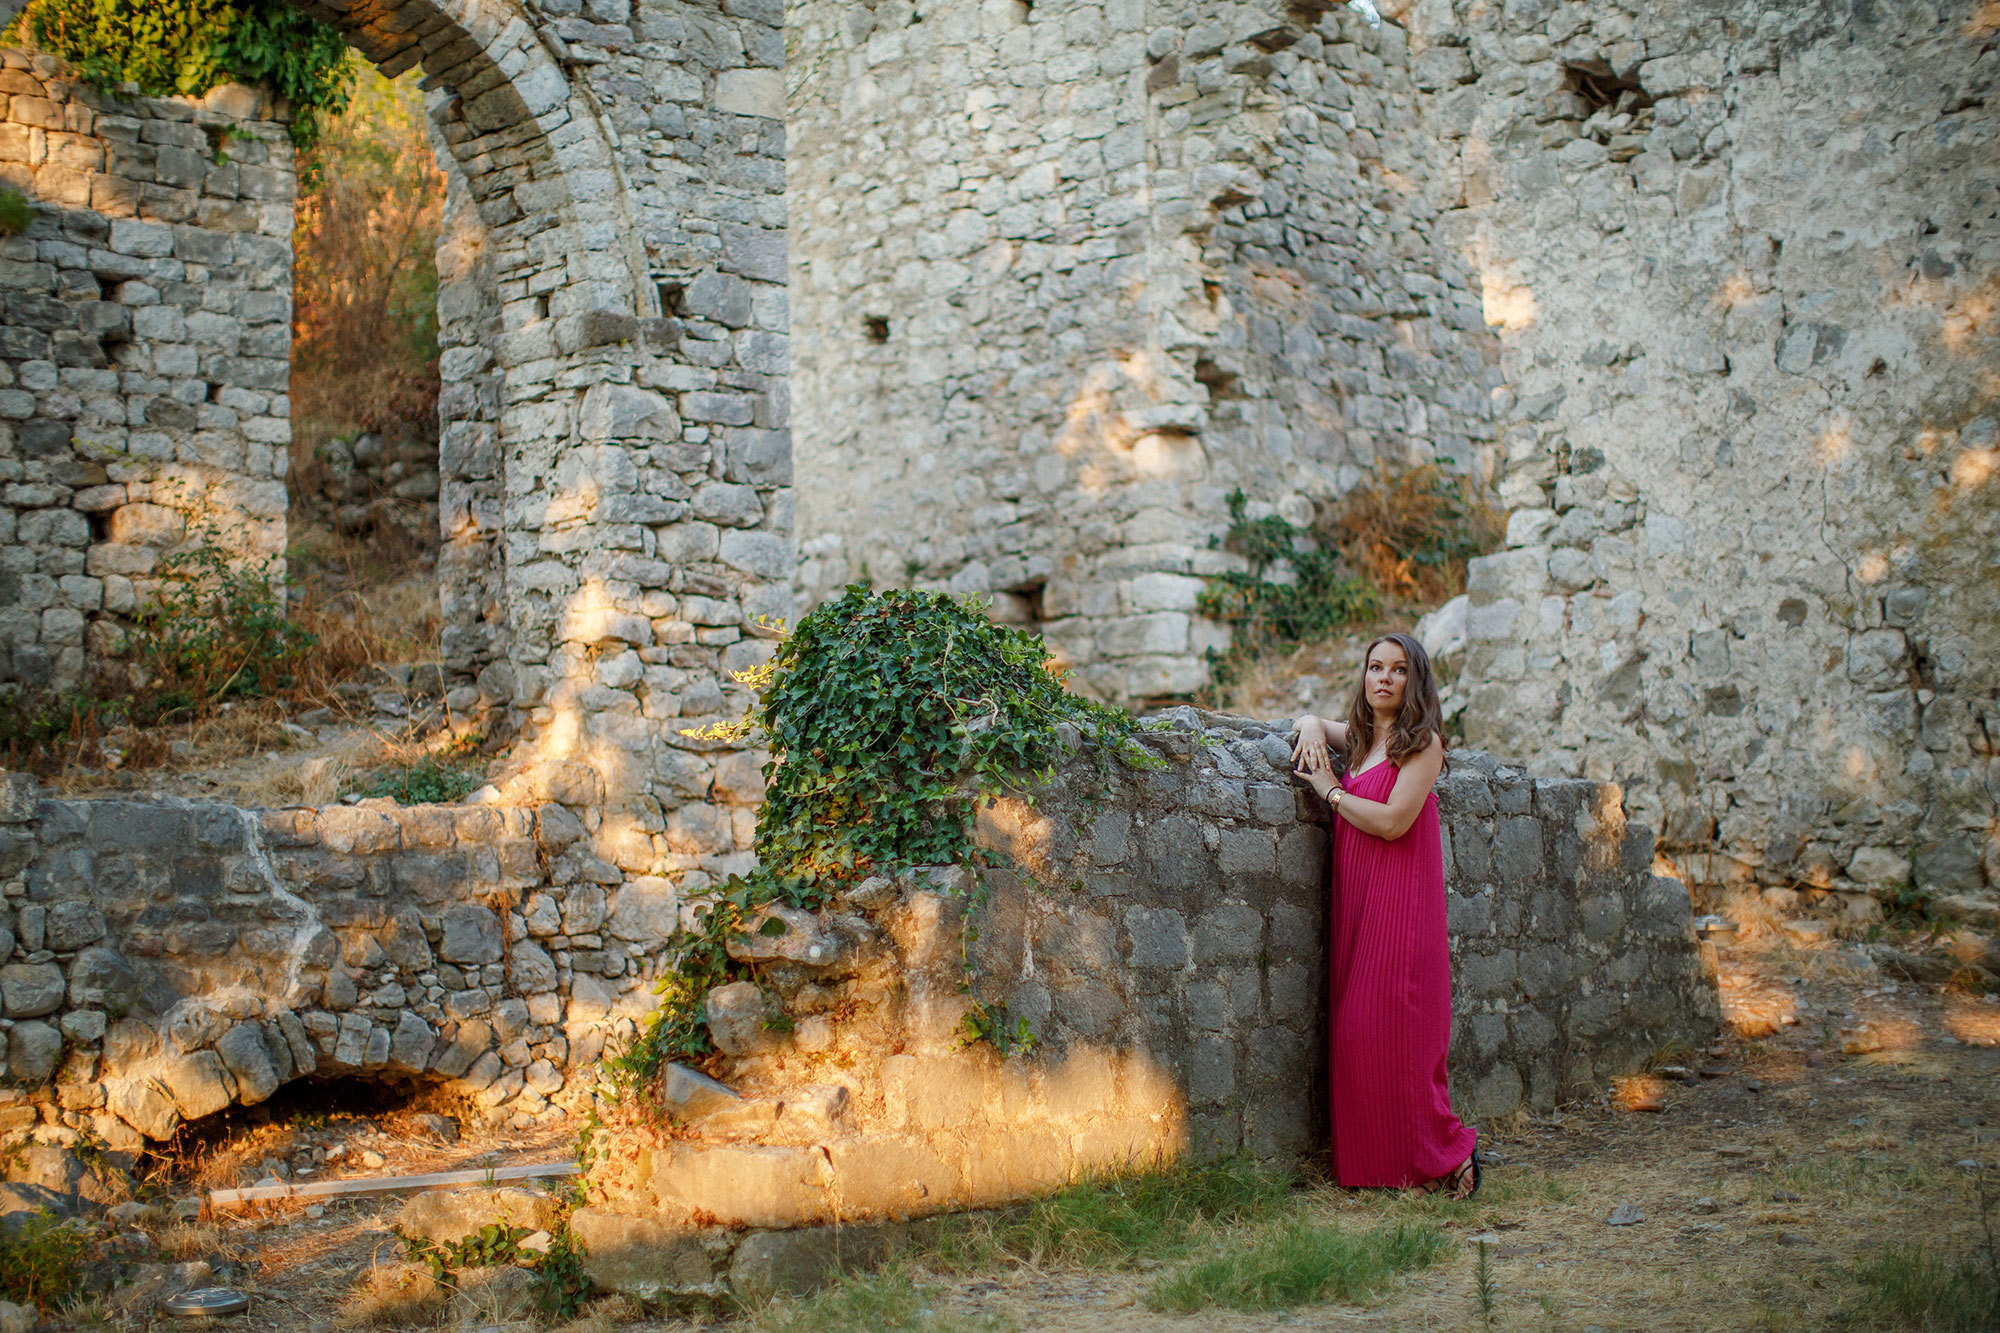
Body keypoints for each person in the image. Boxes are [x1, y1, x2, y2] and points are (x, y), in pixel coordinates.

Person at [1291, 631, 1480, 1199]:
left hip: (1403, 904)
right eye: (1375, 667)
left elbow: (1396, 820)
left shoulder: (1423, 745)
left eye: (1398, 670)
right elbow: (1316, 724)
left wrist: (1330, 791)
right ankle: (1392, 1171)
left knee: (1403, 1034)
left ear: (1413, 680)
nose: (1384, 678)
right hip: (1361, 900)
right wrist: (1305, 724)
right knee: (1358, 1033)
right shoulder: (1363, 738)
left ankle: (1449, 1155)